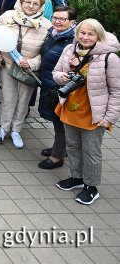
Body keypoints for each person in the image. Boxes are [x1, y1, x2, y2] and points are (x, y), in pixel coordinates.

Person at [53, 19, 120, 205]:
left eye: (90, 34)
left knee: (91, 151)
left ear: (99, 36)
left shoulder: (109, 58)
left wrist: (109, 118)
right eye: (82, 33)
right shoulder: (69, 50)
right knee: (73, 146)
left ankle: (91, 187)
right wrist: (63, 77)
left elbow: (117, 91)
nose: (85, 37)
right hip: (70, 107)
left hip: (94, 113)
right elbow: (56, 73)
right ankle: (76, 177)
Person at [0, 0, 52, 149]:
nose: (31, 6)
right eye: (28, 2)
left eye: (35, 4)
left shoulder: (47, 25)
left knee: (23, 100)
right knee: (7, 97)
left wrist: (32, 63)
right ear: (21, 2)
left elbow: (47, 53)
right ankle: (4, 127)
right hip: (8, 64)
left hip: (28, 69)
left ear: (41, 7)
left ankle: (16, 130)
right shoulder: (7, 17)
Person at [38, 6, 78, 170]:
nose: (57, 21)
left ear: (72, 22)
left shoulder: (72, 41)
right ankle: (60, 147)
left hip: (61, 86)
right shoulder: (53, 33)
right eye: (55, 17)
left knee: (61, 121)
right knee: (56, 119)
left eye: (62, 19)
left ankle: (57, 157)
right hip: (50, 82)